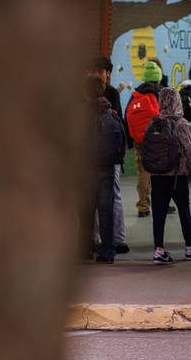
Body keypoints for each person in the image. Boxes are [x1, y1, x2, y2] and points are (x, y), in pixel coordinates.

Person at [150, 87, 191, 265]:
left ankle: (159, 251)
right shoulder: (181, 124)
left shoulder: (154, 122)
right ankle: (189, 248)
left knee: (158, 214)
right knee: (184, 211)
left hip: (157, 175)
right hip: (177, 177)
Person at [87, 56, 129, 254]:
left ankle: (118, 239)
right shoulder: (88, 92)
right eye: (95, 71)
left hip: (108, 156)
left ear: (108, 73)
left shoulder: (111, 93)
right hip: (96, 157)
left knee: (112, 198)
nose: (98, 74)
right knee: (97, 203)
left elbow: (117, 120)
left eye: (101, 71)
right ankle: (97, 240)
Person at [82, 75, 121, 264]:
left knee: (86, 210)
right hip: (108, 168)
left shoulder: (83, 115)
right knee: (106, 210)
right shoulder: (111, 113)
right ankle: (107, 251)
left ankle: (84, 249)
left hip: (87, 169)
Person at [124, 60, 163, 218]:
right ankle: (161, 203)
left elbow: (127, 117)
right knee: (160, 173)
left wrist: (129, 141)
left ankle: (143, 207)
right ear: (158, 77)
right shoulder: (161, 93)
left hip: (139, 142)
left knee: (143, 173)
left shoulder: (136, 94)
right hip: (159, 142)